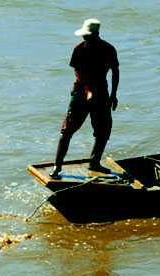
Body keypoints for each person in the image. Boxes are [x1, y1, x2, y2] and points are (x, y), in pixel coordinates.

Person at [51, 18, 119, 178]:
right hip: (80, 93)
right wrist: (88, 92)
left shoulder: (108, 49)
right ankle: (57, 166)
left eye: (88, 36)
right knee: (67, 130)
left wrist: (114, 95)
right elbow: (78, 73)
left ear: (96, 34)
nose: (85, 38)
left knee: (103, 130)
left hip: (102, 93)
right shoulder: (79, 49)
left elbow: (115, 71)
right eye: (84, 36)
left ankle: (94, 162)